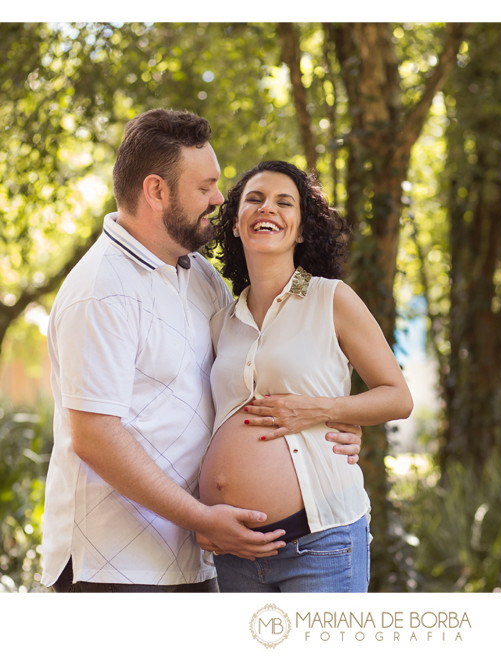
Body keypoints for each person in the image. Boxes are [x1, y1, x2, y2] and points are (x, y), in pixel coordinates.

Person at [40, 109, 362, 593]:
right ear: (157, 192)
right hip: (114, 569)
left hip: (198, 559)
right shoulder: (101, 290)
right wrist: (202, 517)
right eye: (205, 187)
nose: (219, 200)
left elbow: (254, 369)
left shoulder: (198, 274)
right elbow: (94, 436)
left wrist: (332, 417)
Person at [196, 160, 413, 592]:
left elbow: (398, 397)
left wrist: (321, 410)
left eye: (284, 202)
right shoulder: (223, 320)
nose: (267, 209)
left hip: (320, 544)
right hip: (235, 551)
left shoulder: (331, 299)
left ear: (300, 229)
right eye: (254, 200)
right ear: (236, 225)